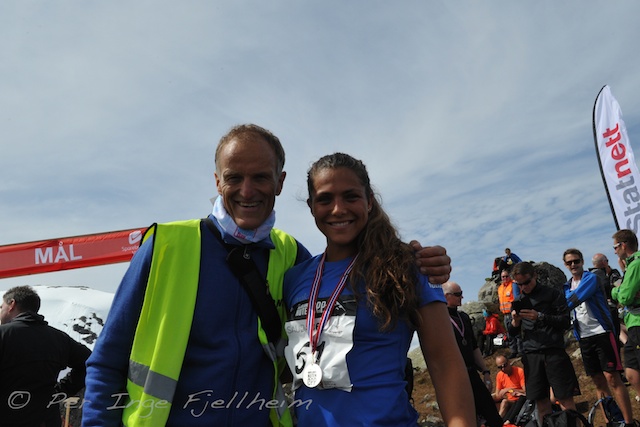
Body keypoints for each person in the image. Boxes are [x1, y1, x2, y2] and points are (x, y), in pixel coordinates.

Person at [82, 125, 454, 427]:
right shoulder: (165, 246)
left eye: (261, 177)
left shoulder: (291, 256)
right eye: (234, 177)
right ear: (217, 182)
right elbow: (107, 361)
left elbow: (347, 277)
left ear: (279, 182)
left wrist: (420, 262)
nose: (247, 190)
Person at [282, 153, 475, 426]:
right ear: (311, 206)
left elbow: (445, 363)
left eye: (351, 196)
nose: (338, 209)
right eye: (325, 199)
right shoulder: (295, 278)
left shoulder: (408, 267)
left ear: (369, 201)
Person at [0, 285, 92, 427]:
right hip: (46, 420)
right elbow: (89, 362)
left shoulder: (3, 334)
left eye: (1, 307)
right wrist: (61, 391)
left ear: (12, 304)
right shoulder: (59, 338)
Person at [562, 248, 634, 426]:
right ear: (565, 265)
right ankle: (611, 420)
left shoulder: (591, 278)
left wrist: (559, 306)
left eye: (576, 261)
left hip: (602, 333)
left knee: (613, 378)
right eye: (569, 262)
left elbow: (573, 300)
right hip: (584, 337)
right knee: (598, 381)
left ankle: (629, 422)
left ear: (582, 261)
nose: (573, 265)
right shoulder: (566, 286)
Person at [509, 261, 580, 423]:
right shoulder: (519, 300)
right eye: (519, 284)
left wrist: (540, 317)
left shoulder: (552, 294)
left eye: (526, 282)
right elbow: (512, 333)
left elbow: (565, 321)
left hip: (553, 352)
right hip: (531, 355)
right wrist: (515, 321)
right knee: (540, 403)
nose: (524, 287)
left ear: (535, 275)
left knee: (565, 400)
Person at [441, 281, 502, 427]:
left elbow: (474, 346)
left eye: (461, 293)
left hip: (471, 373)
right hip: (455, 377)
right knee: (468, 417)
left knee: (492, 416)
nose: (461, 297)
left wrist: (486, 372)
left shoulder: (464, 317)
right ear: (446, 296)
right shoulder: (440, 319)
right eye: (458, 294)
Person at [612, 229, 640, 400]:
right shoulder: (631, 265)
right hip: (632, 322)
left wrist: (616, 291)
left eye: (615, 247)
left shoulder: (636, 264)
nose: (615, 251)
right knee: (630, 370)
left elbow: (625, 297)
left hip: (637, 321)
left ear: (623, 245)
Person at [592, 252, 624, 343]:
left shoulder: (613, 274)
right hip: (608, 310)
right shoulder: (597, 276)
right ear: (604, 262)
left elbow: (620, 286)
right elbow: (620, 288)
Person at [492, 355, 525, 419]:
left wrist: (509, 390)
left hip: (519, 401)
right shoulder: (500, 375)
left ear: (509, 362)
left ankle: (498, 420)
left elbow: (525, 391)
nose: (503, 369)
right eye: (500, 367)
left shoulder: (519, 371)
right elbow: (498, 394)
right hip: (510, 400)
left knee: (504, 402)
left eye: (505, 365)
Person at [498, 270, 522, 359]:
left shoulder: (513, 285)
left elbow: (517, 298)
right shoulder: (500, 288)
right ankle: (513, 351)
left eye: (506, 276)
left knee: (517, 333)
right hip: (505, 315)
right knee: (509, 333)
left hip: (513, 313)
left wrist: (515, 311)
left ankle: (520, 350)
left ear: (510, 276)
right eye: (503, 277)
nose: (505, 278)